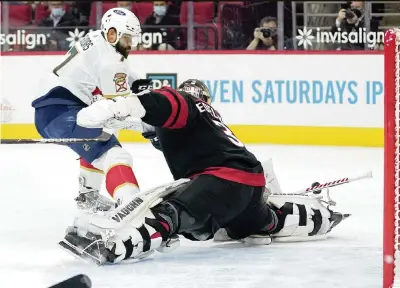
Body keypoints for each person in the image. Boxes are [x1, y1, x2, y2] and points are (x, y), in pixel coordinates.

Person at [60, 79, 348, 264]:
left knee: (169, 213)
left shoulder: (188, 104)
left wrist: (121, 105)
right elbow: (164, 133)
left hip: (223, 182)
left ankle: (112, 246)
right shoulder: (209, 120)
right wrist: (134, 122)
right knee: (261, 223)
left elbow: (166, 103)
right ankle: (314, 216)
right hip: (250, 186)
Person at [31, 7, 145, 210]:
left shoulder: (96, 38)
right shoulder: (111, 62)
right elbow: (122, 106)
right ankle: (130, 207)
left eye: (133, 39)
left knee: (102, 134)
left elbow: (116, 78)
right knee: (115, 155)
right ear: (112, 34)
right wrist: (149, 127)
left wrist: (136, 83)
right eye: (128, 38)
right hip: (62, 115)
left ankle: (87, 197)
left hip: (53, 111)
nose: (131, 45)